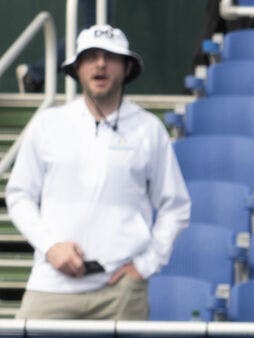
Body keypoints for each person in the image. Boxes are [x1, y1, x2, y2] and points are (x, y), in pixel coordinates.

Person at [7, 24, 190, 321]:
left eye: (111, 56)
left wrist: (145, 266)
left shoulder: (149, 129)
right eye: (91, 56)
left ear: (127, 67)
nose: (100, 64)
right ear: (77, 67)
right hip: (50, 285)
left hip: (121, 293)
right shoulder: (47, 124)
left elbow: (176, 206)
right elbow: (18, 195)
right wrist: (51, 246)